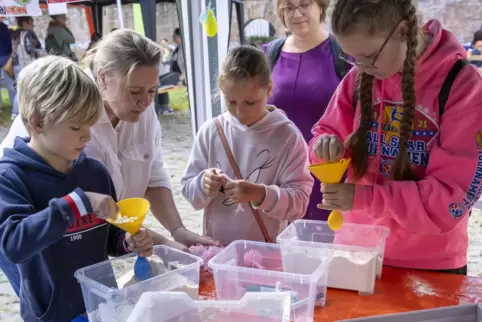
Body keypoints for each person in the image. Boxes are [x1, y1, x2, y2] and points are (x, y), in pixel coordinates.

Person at [0, 29, 216, 248]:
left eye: (152, 90)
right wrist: (163, 244)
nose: (146, 101)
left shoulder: (144, 112)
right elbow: (70, 211)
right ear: (103, 78)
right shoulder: (60, 113)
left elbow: (153, 176)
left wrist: (176, 231)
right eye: (134, 91)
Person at [310, 0, 482, 274]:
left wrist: (364, 198)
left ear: (402, 31)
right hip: (357, 252)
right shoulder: (358, 79)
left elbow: (451, 198)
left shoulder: (462, 86)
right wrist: (325, 149)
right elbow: (325, 134)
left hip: (430, 262)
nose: (362, 67)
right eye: (353, 58)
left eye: (369, 56)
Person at [0, 56, 153, 321]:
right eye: (75, 126)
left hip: (101, 306)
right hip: (51, 315)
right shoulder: (10, 178)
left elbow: (108, 236)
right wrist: (76, 204)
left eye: (89, 124)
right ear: (37, 123)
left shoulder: (94, 172)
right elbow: (14, 244)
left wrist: (127, 241)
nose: (86, 135)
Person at [181, 46, 313, 245]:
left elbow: (300, 203)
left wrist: (260, 194)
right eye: (231, 102)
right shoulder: (211, 131)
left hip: (266, 254)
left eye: (250, 102)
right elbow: (189, 191)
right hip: (218, 251)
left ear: (268, 89)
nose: (240, 112)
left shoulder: (287, 136)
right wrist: (203, 183)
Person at [264, 0, 352, 221]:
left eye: (304, 5)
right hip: (278, 176)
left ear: (320, 7)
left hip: (328, 174)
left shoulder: (344, 54)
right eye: (289, 7)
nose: (297, 14)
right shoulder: (268, 55)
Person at [10, 16, 44, 120]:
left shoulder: (14, 33)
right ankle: (16, 112)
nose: (33, 25)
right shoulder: (28, 34)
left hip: (16, 64)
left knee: (20, 87)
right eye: (31, 22)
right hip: (26, 64)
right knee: (27, 87)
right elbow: (30, 50)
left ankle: (17, 112)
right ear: (25, 23)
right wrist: (39, 52)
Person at [0, 17, 14, 111]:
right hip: (5, 56)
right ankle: (15, 105)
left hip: (4, 55)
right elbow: (9, 42)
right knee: (10, 83)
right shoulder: (3, 27)